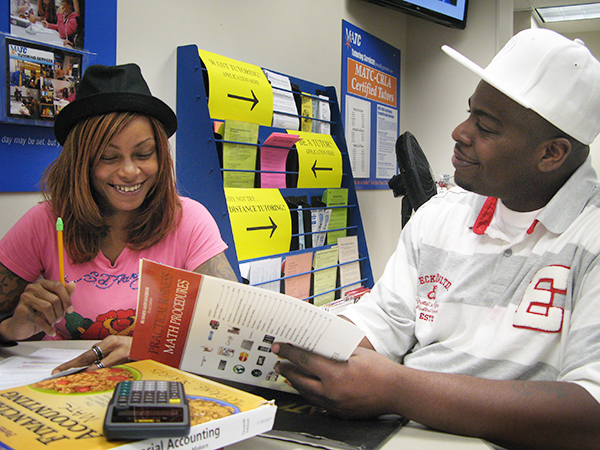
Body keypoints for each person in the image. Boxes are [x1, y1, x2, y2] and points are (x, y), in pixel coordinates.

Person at [273, 28, 600, 450]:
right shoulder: (441, 215)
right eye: (470, 114)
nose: (459, 132)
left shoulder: (590, 238)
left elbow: (591, 414)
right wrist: (305, 337)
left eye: (485, 127)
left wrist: (398, 390)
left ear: (551, 154)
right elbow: (385, 322)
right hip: (397, 435)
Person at [0, 63, 237, 373]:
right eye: (108, 157)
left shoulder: (188, 220)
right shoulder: (44, 222)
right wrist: (12, 328)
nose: (129, 171)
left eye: (144, 154)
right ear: (79, 163)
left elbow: (234, 332)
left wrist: (150, 350)